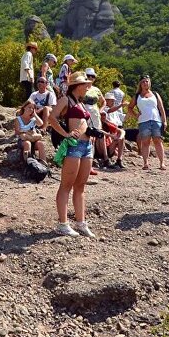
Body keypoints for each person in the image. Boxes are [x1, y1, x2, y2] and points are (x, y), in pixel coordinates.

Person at [49, 71, 97, 237]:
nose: (87, 87)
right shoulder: (66, 100)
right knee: (66, 185)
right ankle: (63, 224)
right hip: (74, 146)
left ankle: (81, 222)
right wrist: (65, 133)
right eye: (85, 84)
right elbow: (51, 118)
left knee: (80, 186)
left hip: (86, 146)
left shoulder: (80, 103)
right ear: (78, 86)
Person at [127, 74, 167, 170]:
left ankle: (162, 163)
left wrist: (164, 121)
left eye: (147, 81)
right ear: (140, 84)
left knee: (158, 141)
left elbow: (161, 108)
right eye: (143, 82)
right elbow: (129, 107)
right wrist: (135, 115)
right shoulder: (137, 96)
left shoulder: (155, 94)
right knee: (145, 142)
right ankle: (145, 163)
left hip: (156, 119)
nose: (145, 83)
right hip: (143, 121)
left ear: (149, 82)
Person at [82, 68, 105, 172]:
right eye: (88, 76)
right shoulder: (82, 88)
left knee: (94, 138)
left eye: (93, 76)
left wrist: (100, 110)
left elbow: (103, 101)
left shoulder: (96, 89)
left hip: (94, 114)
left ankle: (89, 164)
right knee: (84, 136)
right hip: (83, 113)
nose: (91, 78)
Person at [103, 91, 126, 168]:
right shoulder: (104, 110)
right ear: (106, 101)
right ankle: (117, 159)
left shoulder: (114, 111)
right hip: (110, 133)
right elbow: (108, 112)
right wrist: (121, 105)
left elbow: (123, 118)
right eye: (111, 100)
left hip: (115, 130)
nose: (113, 102)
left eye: (113, 100)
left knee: (121, 136)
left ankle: (119, 159)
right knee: (120, 135)